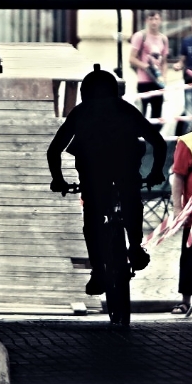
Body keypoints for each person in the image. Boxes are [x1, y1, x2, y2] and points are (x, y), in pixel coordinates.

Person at [48, 68, 167, 296]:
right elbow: (158, 142)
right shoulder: (125, 109)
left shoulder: (80, 112)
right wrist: (155, 172)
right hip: (125, 171)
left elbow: (54, 150)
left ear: (84, 92)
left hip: (93, 176)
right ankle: (135, 248)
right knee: (132, 201)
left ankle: (98, 273)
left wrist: (58, 180)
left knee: (92, 219)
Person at [170, 130, 192, 314]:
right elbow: (178, 176)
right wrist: (178, 209)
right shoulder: (188, 141)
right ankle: (185, 300)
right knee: (189, 256)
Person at [128, 11, 171, 120]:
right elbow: (131, 58)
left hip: (158, 81)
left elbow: (164, 61)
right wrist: (146, 67)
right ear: (146, 20)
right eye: (151, 19)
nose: (154, 22)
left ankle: (153, 132)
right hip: (144, 81)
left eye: (156, 19)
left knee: (157, 115)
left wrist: (164, 77)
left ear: (160, 20)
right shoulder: (140, 36)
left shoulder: (163, 39)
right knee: (141, 115)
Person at [173, 17, 192, 136]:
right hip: (190, 82)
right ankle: (187, 140)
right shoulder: (187, 41)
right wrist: (178, 65)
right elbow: (182, 60)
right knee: (190, 113)